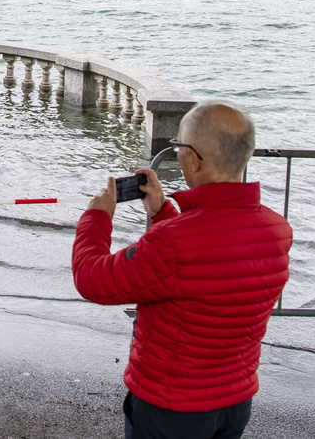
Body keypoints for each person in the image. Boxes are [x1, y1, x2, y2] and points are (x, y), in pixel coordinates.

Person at [71, 101, 293, 439]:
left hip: (171, 407)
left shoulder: (175, 243)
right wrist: (162, 213)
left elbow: (93, 279)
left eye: (178, 147)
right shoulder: (277, 230)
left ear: (193, 158)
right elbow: (208, 263)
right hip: (235, 402)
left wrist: (97, 218)